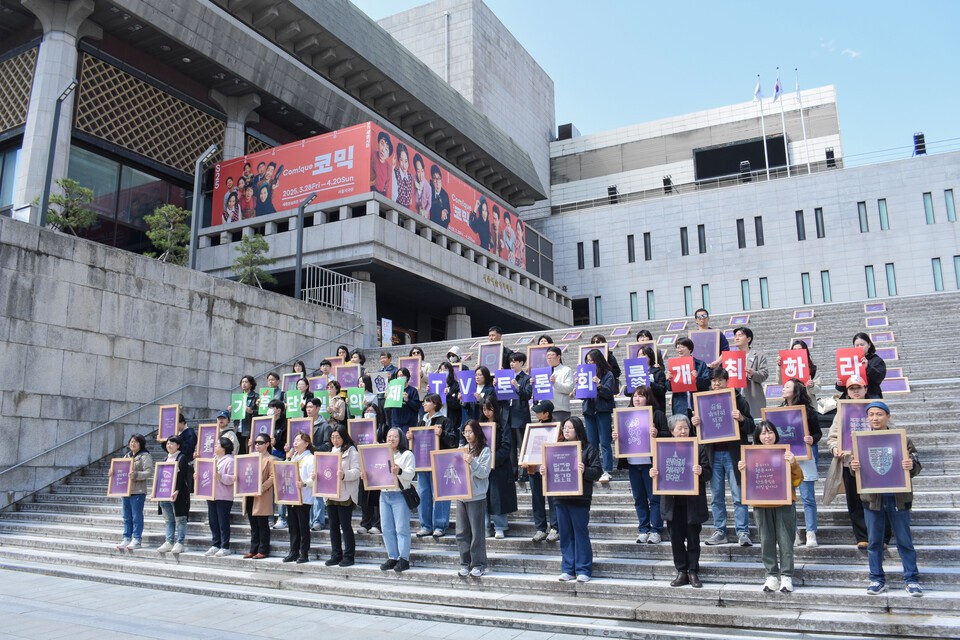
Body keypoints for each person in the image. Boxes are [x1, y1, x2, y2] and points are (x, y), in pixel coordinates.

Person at [849, 401, 923, 597]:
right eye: (871, 414)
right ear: (867, 418)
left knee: (904, 541)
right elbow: (853, 467)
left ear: (888, 417)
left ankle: (912, 579)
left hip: (899, 498)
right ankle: (876, 578)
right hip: (872, 499)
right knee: (874, 542)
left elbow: (917, 464)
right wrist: (853, 467)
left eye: (879, 414)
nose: (875, 418)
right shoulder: (861, 441)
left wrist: (911, 465)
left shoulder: (902, 439)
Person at [739, 421, 803, 593]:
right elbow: (749, 483)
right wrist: (743, 469)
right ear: (758, 436)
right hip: (761, 503)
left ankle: (787, 576)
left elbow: (798, 480)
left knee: (786, 539)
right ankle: (771, 575)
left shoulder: (784, 453)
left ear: (776, 434)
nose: (767, 436)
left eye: (770, 432)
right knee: (766, 540)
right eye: (763, 433)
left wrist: (793, 463)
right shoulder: (751, 455)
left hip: (784, 502)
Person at [823, 375, 884, 549]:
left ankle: (880, 536)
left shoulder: (876, 408)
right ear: (847, 392)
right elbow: (832, 437)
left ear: (866, 389)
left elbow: (891, 430)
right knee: (854, 501)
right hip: (849, 462)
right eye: (852, 388)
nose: (856, 391)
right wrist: (835, 448)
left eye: (858, 388)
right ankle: (862, 536)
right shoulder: (842, 411)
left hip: (874, 461)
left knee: (876, 499)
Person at [651, 415, 710, 589]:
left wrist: (701, 471)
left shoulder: (697, 448)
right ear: (672, 431)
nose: (683, 431)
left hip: (693, 503)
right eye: (679, 428)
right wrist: (653, 474)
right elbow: (658, 472)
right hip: (672, 503)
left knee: (693, 538)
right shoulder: (663, 449)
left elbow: (709, 473)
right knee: (675, 539)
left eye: (685, 428)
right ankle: (681, 571)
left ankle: (693, 571)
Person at [700, 368, 755, 547]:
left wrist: (742, 419)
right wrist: (696, 424)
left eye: (720, 380)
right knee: (716, 496)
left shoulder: (738, 399)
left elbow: (752, 427)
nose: (716, 383)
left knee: (738, 495)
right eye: (713, 380)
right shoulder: (704, 401)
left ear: (726, 381)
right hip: (713, 454)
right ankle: (720, 531)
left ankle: (743, 532)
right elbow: (700, 433)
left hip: (734, 455)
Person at [545, 416, 602, 582]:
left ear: (578, 429)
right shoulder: (557, 448)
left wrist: (585, 471)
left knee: (580, 533)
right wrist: (544, 470)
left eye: (569, 427)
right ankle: (568, 568)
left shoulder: (588, 448)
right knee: (565, 534)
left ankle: (583, 569)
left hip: (580, 499)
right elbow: (551, 468)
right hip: (560, 498)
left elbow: (597, 472)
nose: (566, 430)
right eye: (564, 428)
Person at [612, 386, 669, 544]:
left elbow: (668, 435)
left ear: (648, 398)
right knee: (639, 498)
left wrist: (657, 434)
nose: (637, 399)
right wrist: (615, 436)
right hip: (633, 463)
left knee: (654, 498)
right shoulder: (626, 415)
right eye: (635, 396)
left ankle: (656, 530)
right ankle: (643, 529)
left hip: (650, 464)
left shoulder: (657, 414)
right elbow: (622, 437)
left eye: (641, 396)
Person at [779, 378, 823, 547]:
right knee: (789, 498)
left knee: (807, 498)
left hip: (804, 458)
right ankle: (794, 532)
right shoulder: (779, 411)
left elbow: (818, 433)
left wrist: (812, 439)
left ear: (796, 390)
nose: (783, 389)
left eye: (787, 386)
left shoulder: (808, 411)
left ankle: (811, 532)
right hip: (786, 459)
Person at [410, 393, 458, 538]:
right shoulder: (421, 422)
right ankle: (425, 525)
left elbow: (453, 441)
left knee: (440, 495)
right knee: (423, 494)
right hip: (423, 463)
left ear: (435, 404)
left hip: (440, 463)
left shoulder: (444, 421)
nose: (424, 404)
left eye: (427, 402)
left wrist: (442, 433)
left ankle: (440, 525)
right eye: (424, 402)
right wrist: (410, 439)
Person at [371, 427, 416, 573]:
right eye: (389, 436)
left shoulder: (407, 454)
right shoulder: (381, 454)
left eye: (395, 436)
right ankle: (392, 556)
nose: (391, 439)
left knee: (401, 528)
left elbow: (410, 474)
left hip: (399, 495)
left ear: (401, 438)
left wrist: (399, 471)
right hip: (384, 495)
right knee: (386, 528)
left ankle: (404, 558)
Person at [320, 425, 361, 567]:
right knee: (333, 526)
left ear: (344, 437)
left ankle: (349, 556)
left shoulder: (351, 451)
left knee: (345, 526)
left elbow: (357, 471)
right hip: (331, 493)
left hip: (345, 493)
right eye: (332, 437)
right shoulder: (329, 452)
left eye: (337, 437)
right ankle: (336, 554)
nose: (335, 440)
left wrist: (344, 475)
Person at [456, 420, 493, 577]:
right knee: (461, 532)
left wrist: (472, 462)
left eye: (470, 431)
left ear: (477, 432)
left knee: (477, 533)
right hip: (461, 495)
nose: (467, 434)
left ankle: (478, 564)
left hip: (476, 496)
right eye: (465, 432)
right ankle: (465, 563)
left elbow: (484, 473)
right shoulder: (461, 449)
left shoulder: (485, 451)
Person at [479, 397, 516, 538]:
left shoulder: (503, 424)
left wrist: (493, 460)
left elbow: (506, 446)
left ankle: (500, 526)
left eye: (489, 409)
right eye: (484, 409)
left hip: (499, 467)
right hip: (482, 466)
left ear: (495, 409)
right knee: (483, 496)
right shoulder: (480, 426)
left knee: (497, 497)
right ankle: (485, 526)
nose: (487, 412)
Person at [580, 348, 618, 483]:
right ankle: (595, 469)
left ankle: (607, 469)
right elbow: (582, 395)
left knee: (605, 441)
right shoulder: (585, 374)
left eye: (592, 360)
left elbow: (609, 393)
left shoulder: (608, 374)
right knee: (592, 442)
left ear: (598, 360)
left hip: (603, 411)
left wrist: (599, 385)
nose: (590, 363)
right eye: (588, 361)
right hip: (589, 411)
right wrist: (579, 386)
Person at [527, 400, 560, 542]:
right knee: (537, 499)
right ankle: (540, 528)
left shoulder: (557, 428)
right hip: (534, 468)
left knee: (553, 499)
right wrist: (525, 459)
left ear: (547, 413)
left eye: (539, 411)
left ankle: (555, 527)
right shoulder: (533, 428)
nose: (536, 413)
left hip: (550, 469)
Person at [356, 401, 389, 535]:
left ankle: (377, 524)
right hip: (363, 466)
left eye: (372, 411)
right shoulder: (358, 429)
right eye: (367, 411)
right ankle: (365, 523)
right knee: (364, 496)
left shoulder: (384, 428)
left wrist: (379, 444)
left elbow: (389, 446)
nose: (369, 413)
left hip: (378, 467)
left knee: (375, 496)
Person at [117, 434, 153, 550]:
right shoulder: (127, 456)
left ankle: (137, 539)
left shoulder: (145, 456)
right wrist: (113, 473)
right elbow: (120, 470)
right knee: (126, 517)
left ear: (141, 444)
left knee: (136, 517)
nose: (133, 444)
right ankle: (127, 537)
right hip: (126, 490)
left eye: (136, 442)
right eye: (131, 441)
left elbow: (149, 472)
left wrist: (136, 475)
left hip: (138, 491)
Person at [284, 432, 315, 564]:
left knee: (303, 527)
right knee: (292, 526)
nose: (295, 443)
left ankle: (304, 553)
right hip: (291, 496)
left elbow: (314, 478)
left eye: (298, 441)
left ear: (306, 443)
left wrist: (305, 483)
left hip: (304, 497)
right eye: (294, 440)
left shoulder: (310, 458)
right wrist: (288, 458)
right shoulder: (293, 457)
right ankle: (293, 551)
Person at [157, 435, 190, 555]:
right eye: (167, 443)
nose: (169, 445)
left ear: (178, 445)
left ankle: (180, 542)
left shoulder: (182, 458)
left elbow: (182, 476)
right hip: (165, 494)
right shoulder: (165, 458)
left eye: (172, 443)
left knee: (180, 519)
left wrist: (177, 490)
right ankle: (169, 541)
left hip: (179, 494)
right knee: (169, 519)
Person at [243, 434, 275, 559]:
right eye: (256, 442)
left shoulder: (270, 459)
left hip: (262, 494)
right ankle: (253, 548)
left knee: (262, 523)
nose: (257, 445)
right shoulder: (251, 457)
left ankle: (263, 549)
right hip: (249, 494)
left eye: (260, 443)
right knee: (253, 524)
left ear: (267, 444)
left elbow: (273, 477)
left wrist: (261, 487)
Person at [503, 352, 532, 486]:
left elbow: (527, 395)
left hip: (520, 416)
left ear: (521, 363)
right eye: (511, 361)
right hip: (507, 415)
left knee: (522, 445)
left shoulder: (526, 378)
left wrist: (517, 387)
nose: (512, 364)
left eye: (514, 361)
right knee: (511, 446)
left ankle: (524, 473)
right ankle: (513, 473)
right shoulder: (506, 376)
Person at [204, 437, 236, 557]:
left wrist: (221, 476)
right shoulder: (214, 459)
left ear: (224, 447)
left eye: (218, 444)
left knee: (223, 522)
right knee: (213, 521)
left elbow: (233, 478)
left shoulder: (230, 460)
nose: (215, 446)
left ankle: (225, 546)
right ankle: (215, 544)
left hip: (223, 496)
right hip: (211, 494)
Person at [666, 338, 711, 419]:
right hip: (680, 404)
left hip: (697, 403)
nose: (679, 350)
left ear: (690, 349)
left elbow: (707, 383)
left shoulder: (700, 364)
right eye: (677, 347)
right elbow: (669, 388)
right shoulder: (674, 366)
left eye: (682, 347)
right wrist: (668, 380)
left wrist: (697, 378)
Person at [307, 397, 332, 533]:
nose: (308, 410)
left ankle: (318, 521)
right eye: (307, 407)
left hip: (318, 461)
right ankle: (309, 520)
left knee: (317, 493)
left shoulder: (325, 426)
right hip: (305, 462)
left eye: (311, 407)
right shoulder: (303, 424)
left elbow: (328, 446)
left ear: (318, 408)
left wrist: (314, 448)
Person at [836, 333, 887, 399]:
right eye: (857, 345)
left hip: (871, 396)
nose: (859, 347)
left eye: (862, 345)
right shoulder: (849, 360)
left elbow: (879, 378)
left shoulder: (877, 360)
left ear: (869, 345)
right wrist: (839, 384)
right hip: (852, 397)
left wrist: (868, 367)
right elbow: (843, 387)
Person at [733, 327, 769, 417]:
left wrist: (753, 374)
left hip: (752, 396)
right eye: (735, 336)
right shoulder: (730, 357)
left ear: (748, 339)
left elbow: (764, 374)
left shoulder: (758, 356)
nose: (736, 338)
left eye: (740, 335)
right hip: (735, 396)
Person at [775, 339, 822, 404]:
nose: (797, 352)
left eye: (800, 349)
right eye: (794, 350)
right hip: (792, 403)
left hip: (809, 404)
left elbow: (817, 390)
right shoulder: (788, 367)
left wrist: (811, 386)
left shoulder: (813, 368)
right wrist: (780, 366)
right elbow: (780, 382)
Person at [545, 346, 575, 423]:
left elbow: (569, 388)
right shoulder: (543, 372)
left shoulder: (566, 370)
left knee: (560, 430)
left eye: (552, 355)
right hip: (545, 411)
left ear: (558, 357)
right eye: (548, 356)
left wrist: (555, 383)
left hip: (560, 409)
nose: (549, 358)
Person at [437, 361, 463, 430]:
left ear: (450, 372)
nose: (442, 372)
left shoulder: (455, 385)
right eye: (441, 370)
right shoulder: (435, 384)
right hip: (438, 416)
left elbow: (456, 404)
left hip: (451, 418)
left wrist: (447, 395)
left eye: (445, 370)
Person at [236, 375, 259, 449]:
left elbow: (261, 413)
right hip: (238, 427)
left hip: (249, 428)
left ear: (251, 384)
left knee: (247, 449)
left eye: (246, 382)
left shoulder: (256, 397)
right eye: (242, 382)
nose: (243, 384)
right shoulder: (238, 397)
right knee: (239, 450)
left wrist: (252, 411)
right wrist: (230, 410)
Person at [392, 142, 413, 209]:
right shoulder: (395, 173)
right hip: (396, 209)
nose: (404, 165)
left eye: (406, 161)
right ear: (398, 160)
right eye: (401, 160)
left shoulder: (410, 177)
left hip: (407, 212)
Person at [371, 131, 393, 196]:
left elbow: (387, 189)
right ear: (378, 144)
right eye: (382, 143)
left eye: (386, 149)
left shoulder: (388, 168)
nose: (383, 150)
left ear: (388, 155)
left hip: (380, 196)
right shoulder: (372, 155)